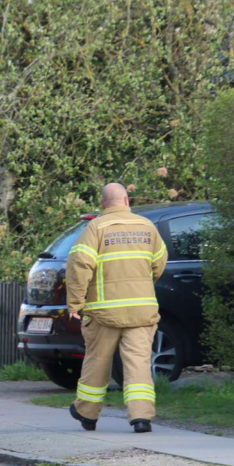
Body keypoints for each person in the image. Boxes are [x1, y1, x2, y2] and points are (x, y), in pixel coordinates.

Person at [65, 182, 167, 433]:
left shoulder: (95, 228)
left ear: (102, 204)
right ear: (127, 200)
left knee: (98, 361)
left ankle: (87, 413)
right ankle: (141, 417)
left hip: (104, 312)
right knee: (138, 364)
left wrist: (75, 303)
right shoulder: (147, 226)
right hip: (142, 310)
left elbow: (79, 266)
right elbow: (159, 263)